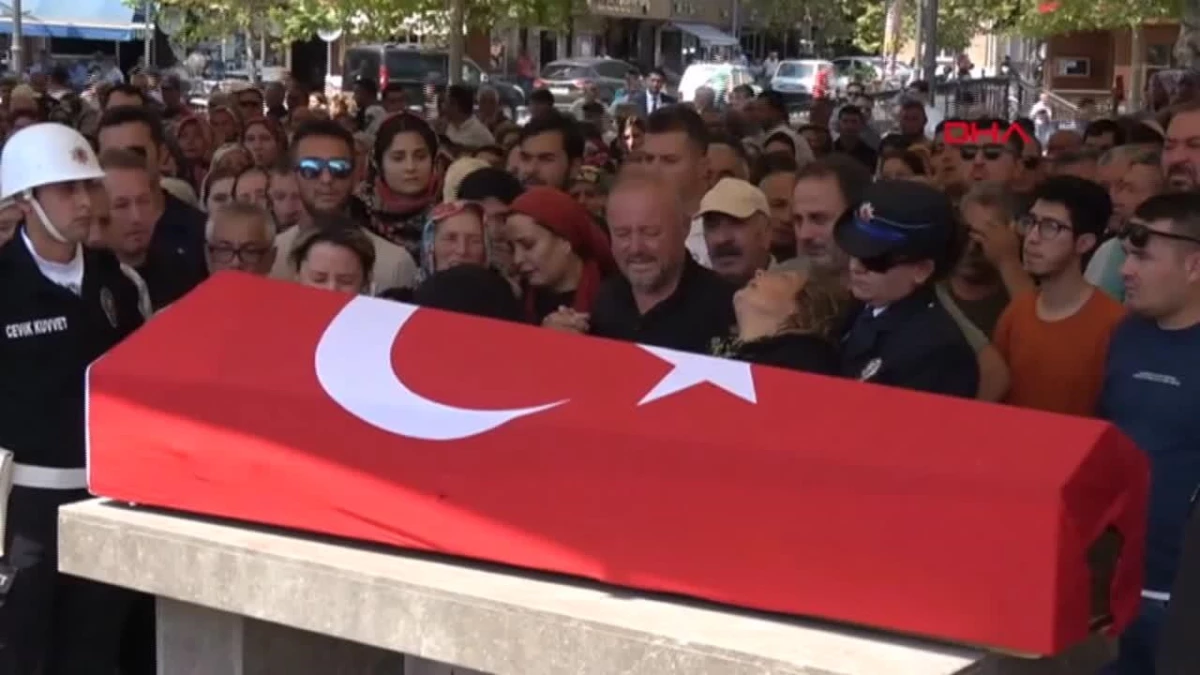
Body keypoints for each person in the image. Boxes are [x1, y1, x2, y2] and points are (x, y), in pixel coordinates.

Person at [0, 123, 151, 673]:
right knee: (23, 653)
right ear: (25, 199)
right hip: (23, 513)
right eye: (66, 189)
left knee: (96, 651)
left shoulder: (117, 281)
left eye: (88, 186)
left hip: (104, 501)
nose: (86, 202)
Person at [835, 179, 979, 397]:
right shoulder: (858, 307)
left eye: (875, 260)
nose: (856, 266)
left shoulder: (938, 353)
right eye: (854, 251)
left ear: (921, 270)